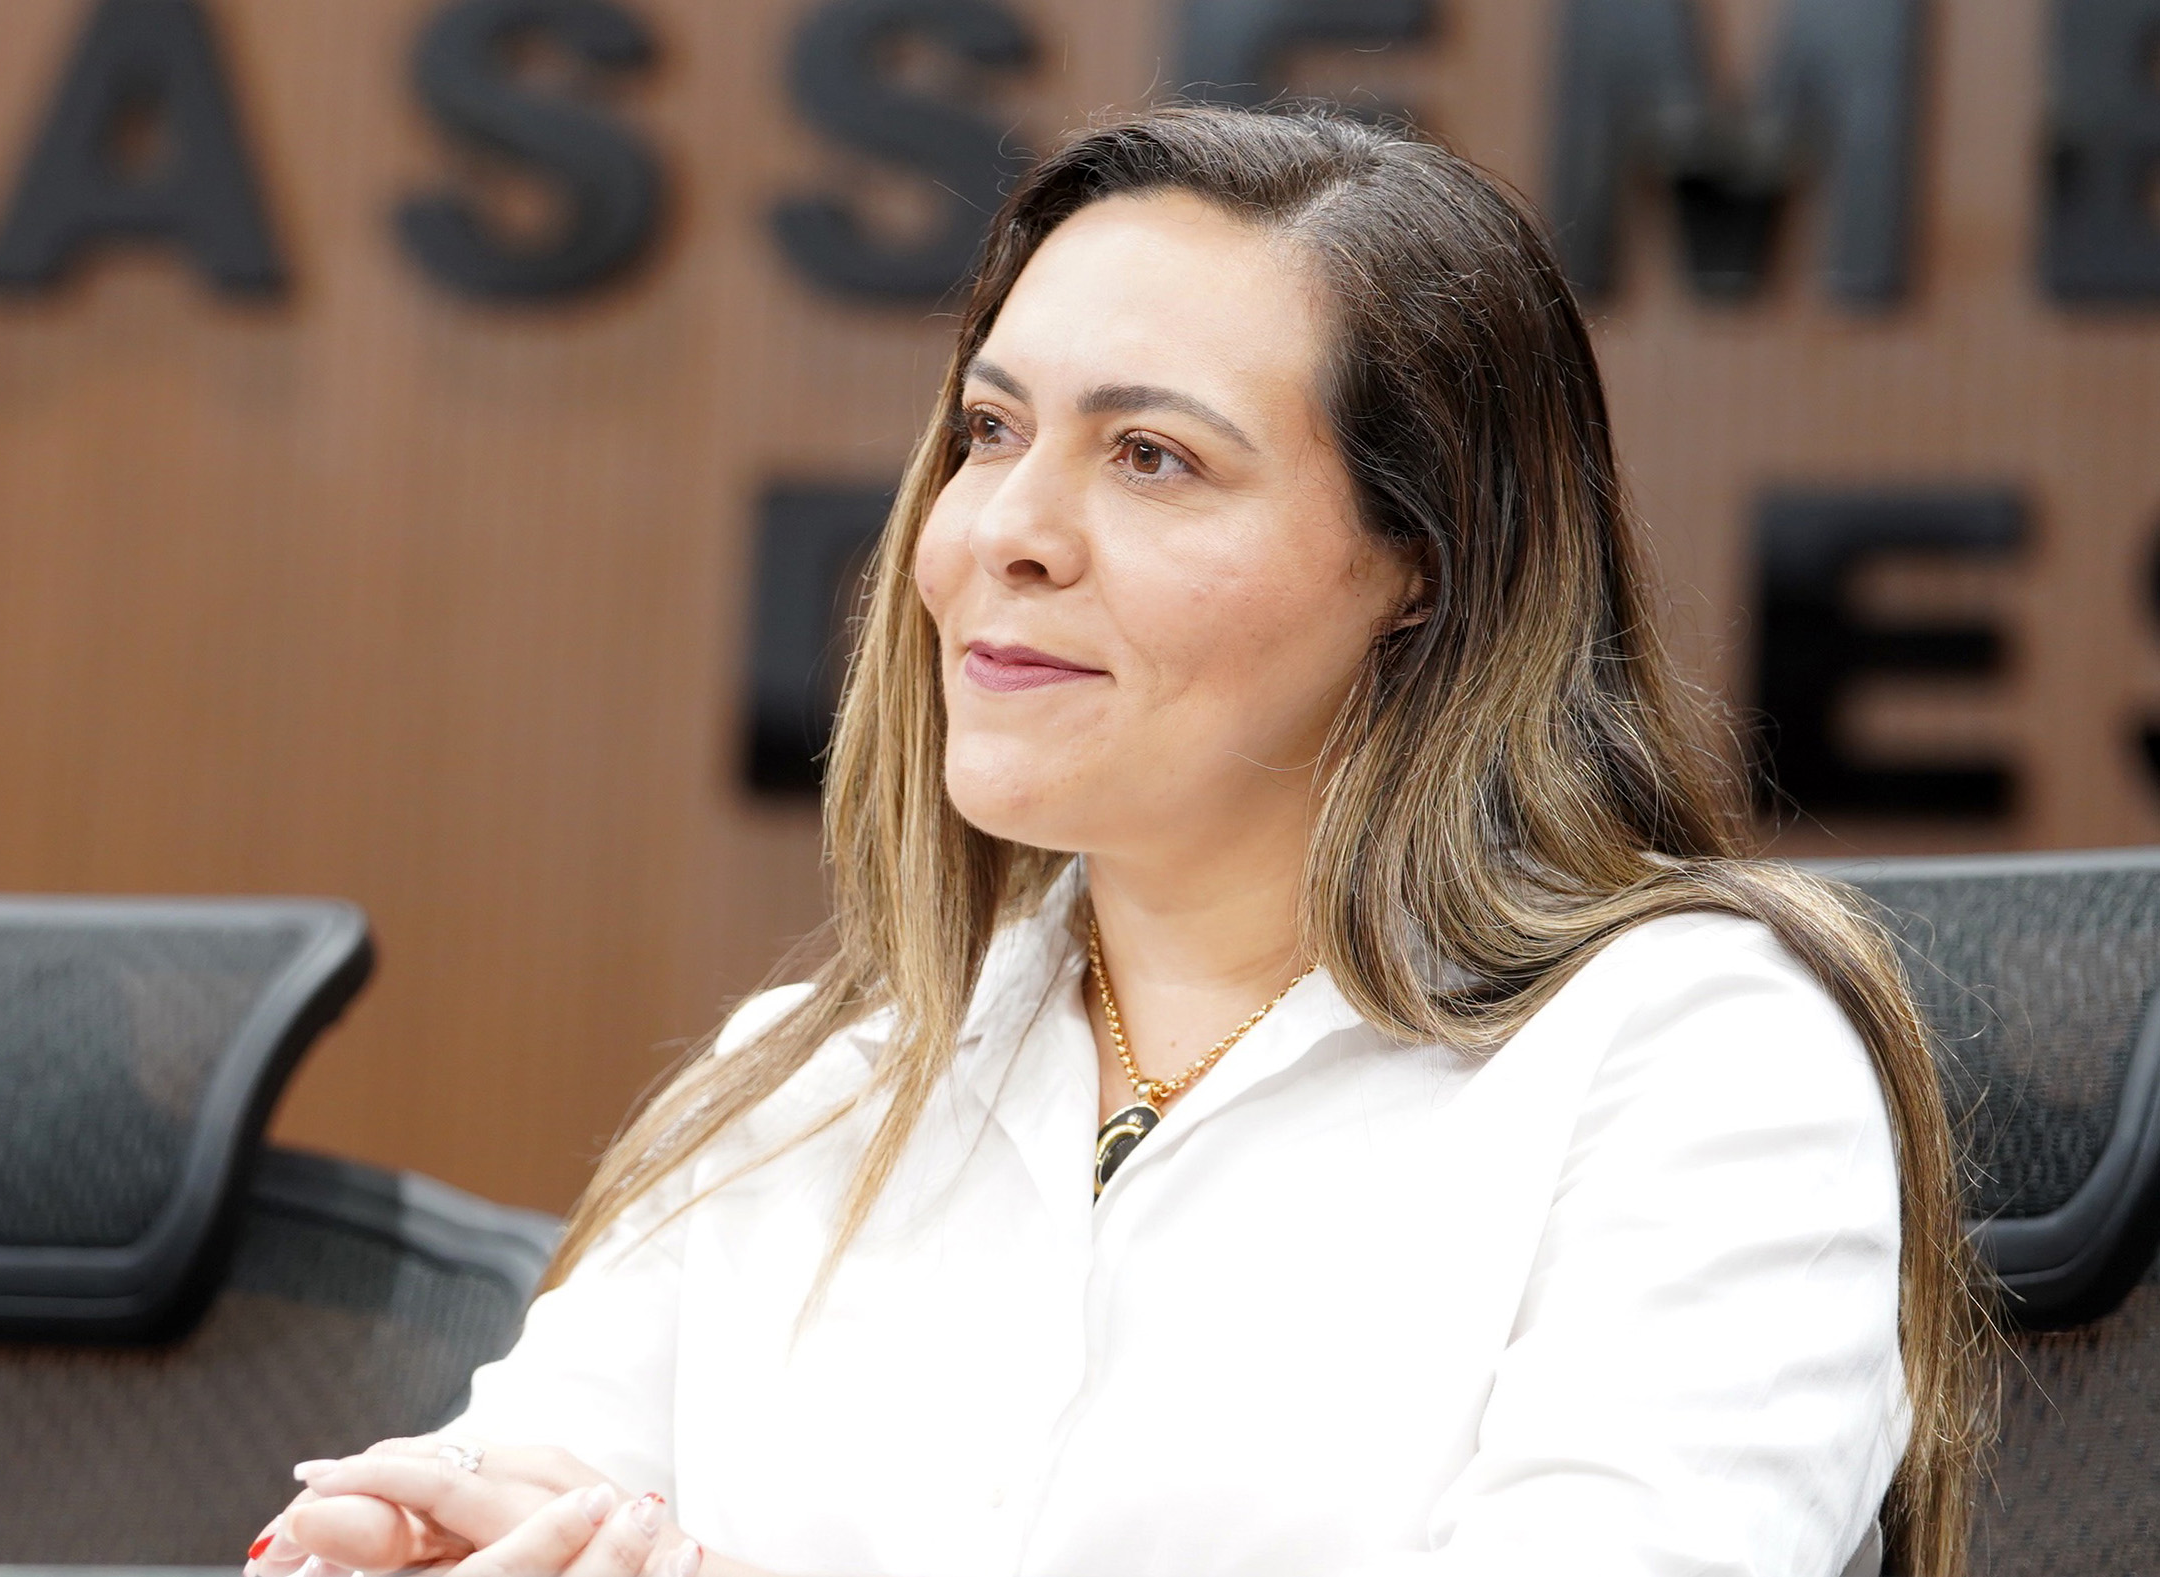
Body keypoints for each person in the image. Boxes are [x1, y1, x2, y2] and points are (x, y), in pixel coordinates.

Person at [247, 105, 1987, 1577]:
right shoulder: (813, 1085)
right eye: (990, 431)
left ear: (1424, 568)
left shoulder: (1696, 1055)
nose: (1001, 531)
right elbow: (514, 1489)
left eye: (1151, 457)